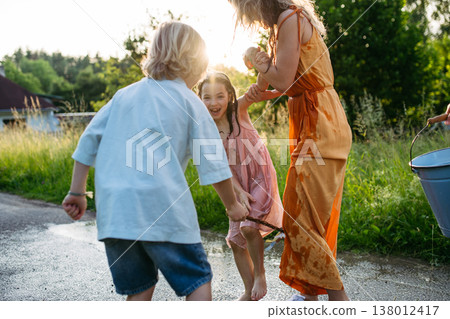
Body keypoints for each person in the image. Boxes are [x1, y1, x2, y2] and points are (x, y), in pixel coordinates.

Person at [62, 21, 248, 301]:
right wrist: (233, 206)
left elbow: (88, 141)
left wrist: (77, 192)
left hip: (116, 215)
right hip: (162, 209)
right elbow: (211, 161)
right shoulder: (189, 101)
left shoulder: (123, 96)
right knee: (197, 280)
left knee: (140, 288)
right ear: (195, 64)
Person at [229, 0, 352, 301]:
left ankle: (340, 301)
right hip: (316, 119)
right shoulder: (283, 24)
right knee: (308, 214)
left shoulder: (288, 18)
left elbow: (282, 77)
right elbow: (288, 83)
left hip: (319, 122)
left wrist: (257, 61)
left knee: (302, 219)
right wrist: (263, 87)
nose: (246, 16)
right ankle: (308, 294)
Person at [198, 72, 283, 301]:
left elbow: (258, 87)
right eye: (207, 98)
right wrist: (238, 192)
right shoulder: (207, 132)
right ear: (200, 99)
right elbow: (223, 168)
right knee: (236, 241)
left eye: (219, 96)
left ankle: (261, 276)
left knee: (248, 228)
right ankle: (248, 291)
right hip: (237, 184)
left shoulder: (239, 111)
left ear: (229, 96)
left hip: (259, 176)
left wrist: (262, 68)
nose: (214, 103)